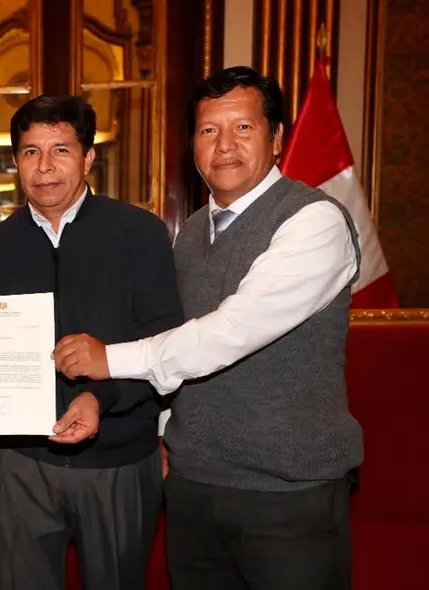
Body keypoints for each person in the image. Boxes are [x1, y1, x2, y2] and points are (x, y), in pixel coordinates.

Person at [77, 66, 363, 589]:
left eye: (244, 128)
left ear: (277, 138)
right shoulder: (189, 234)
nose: (224, 145)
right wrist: (167, 433)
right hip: (193, 490)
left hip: (288, 498)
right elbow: (179, 333)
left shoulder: (314, 220)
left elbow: (231, 331)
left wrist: (109, 358)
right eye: (209, 130)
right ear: (192, 144)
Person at [0, 95, 185, 590]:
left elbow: (166, 345)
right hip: (19, 463)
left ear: (89, 158)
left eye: (61, 150)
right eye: (29, 152)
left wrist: (99, 396)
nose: (44, 167)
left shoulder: (140, 234)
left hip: (118, 457)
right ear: (15, 160)